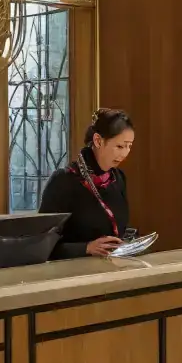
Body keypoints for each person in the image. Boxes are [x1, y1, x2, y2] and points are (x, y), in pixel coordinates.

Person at [39, 108, 135, 258]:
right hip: (73, 273)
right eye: (120, 146)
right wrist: (86, 248)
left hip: (113, 268)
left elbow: (120, 228)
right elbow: (43, 243)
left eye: (129, 146)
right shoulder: (64, 181)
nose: (124, 154)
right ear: (98, 141)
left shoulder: (118, 178)